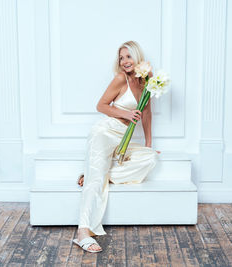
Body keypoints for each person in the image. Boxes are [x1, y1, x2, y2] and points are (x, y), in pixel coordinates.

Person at [72, 41, 161, 253]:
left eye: (129, 57)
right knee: (94, 182)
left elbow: (146, 115)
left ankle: (100, 172)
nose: (125, 62)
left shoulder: (146, 82)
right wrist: (126, 114)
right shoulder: (120, 79)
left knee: (150, 159)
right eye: (121, 58)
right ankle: (83, 231)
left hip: (123, 139)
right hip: (105, 133)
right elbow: (101, 105)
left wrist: (148, 145)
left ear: (138, 58)